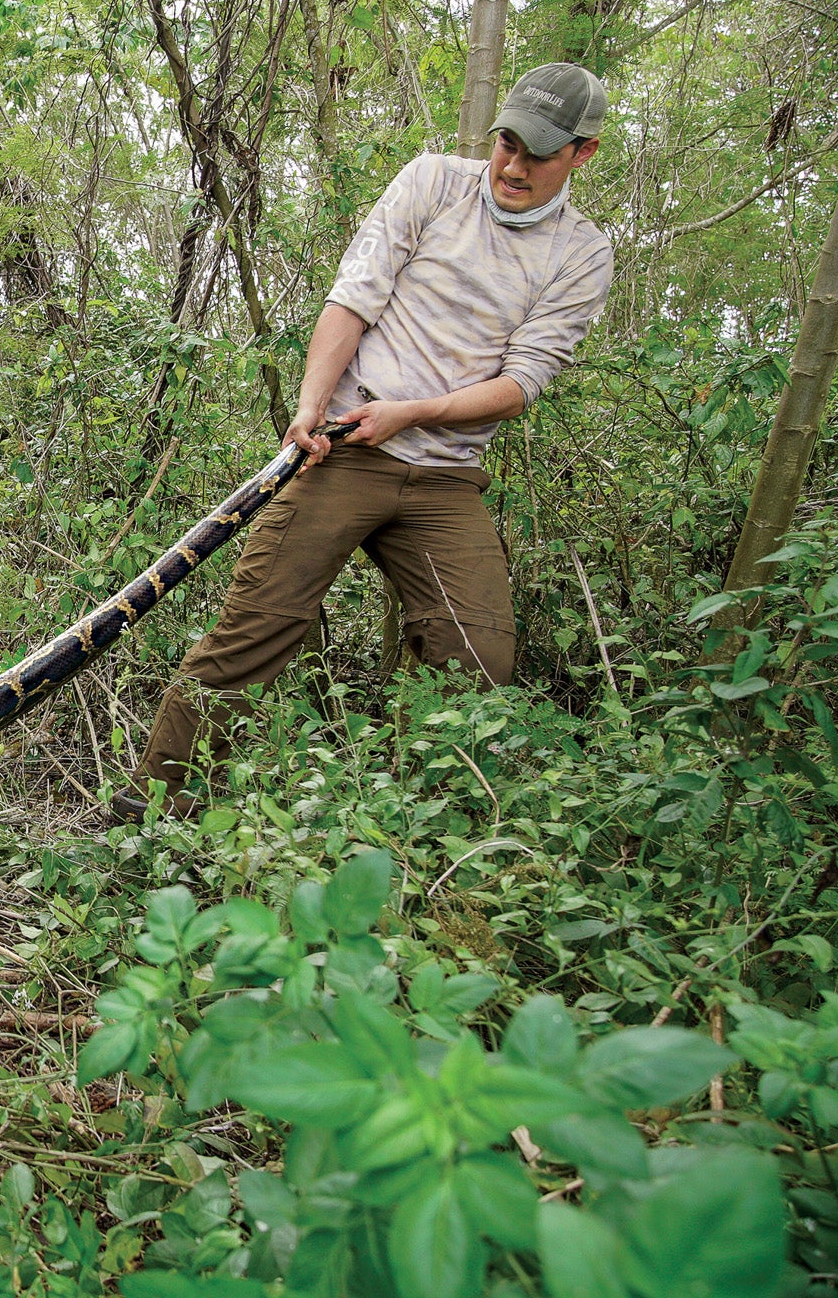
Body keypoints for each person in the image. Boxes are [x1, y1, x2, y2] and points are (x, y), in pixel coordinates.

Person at [113, 62, 616, 822]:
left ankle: (407, 826)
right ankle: (149, 813)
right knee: (255, 630)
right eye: (506, 143)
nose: (511, 166)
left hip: (446, 476)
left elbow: (521, 383)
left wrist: (415, 413)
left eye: (536, 154)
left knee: (480, 661)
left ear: (582, 153)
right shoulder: (432, 183)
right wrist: (312, 408)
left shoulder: (582, 253)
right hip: (345, 447)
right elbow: (354, 297)